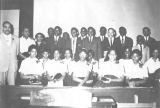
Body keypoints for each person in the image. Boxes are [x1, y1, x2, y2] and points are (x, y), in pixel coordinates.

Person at [0, 21, 19, 85]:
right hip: (1, 65)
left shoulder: (16, 38)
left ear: (11, 28)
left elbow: (17, 52)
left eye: (9, 27)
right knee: (1, 87)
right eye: (5, 27)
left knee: (12, 86)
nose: (7, 29)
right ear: (2, 28)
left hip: (12, 66)